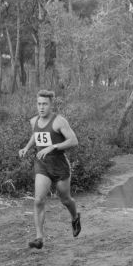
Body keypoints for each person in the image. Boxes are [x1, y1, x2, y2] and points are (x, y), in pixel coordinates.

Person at [19, 90, 81, 249]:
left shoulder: (59, 121)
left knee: (66, 200)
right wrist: (26, 147)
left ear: (51, 105)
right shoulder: (33, 121)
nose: (41, 107)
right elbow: (36, 135)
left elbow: (73, 141)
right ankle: (39, 238)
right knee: (38, 200)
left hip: (60, 166)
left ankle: (75, 217)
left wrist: (53, 147)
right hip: (42, 166)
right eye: (39, 104)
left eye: (45, 104)